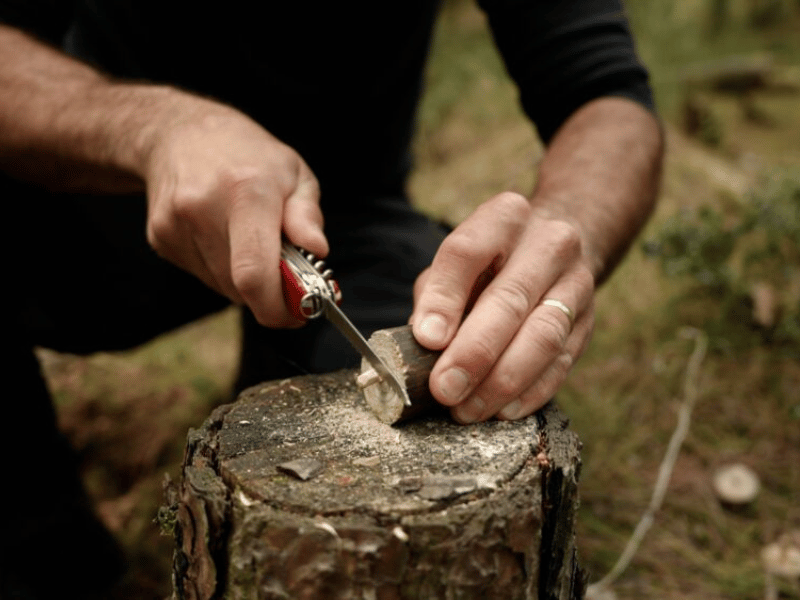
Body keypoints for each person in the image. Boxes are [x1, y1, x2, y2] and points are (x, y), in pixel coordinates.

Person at [0, 0, 663, 596]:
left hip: (346, 225)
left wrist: (566, 229)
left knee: (437, 433)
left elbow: (607, 97)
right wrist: (154, 129)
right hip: (78, 200)